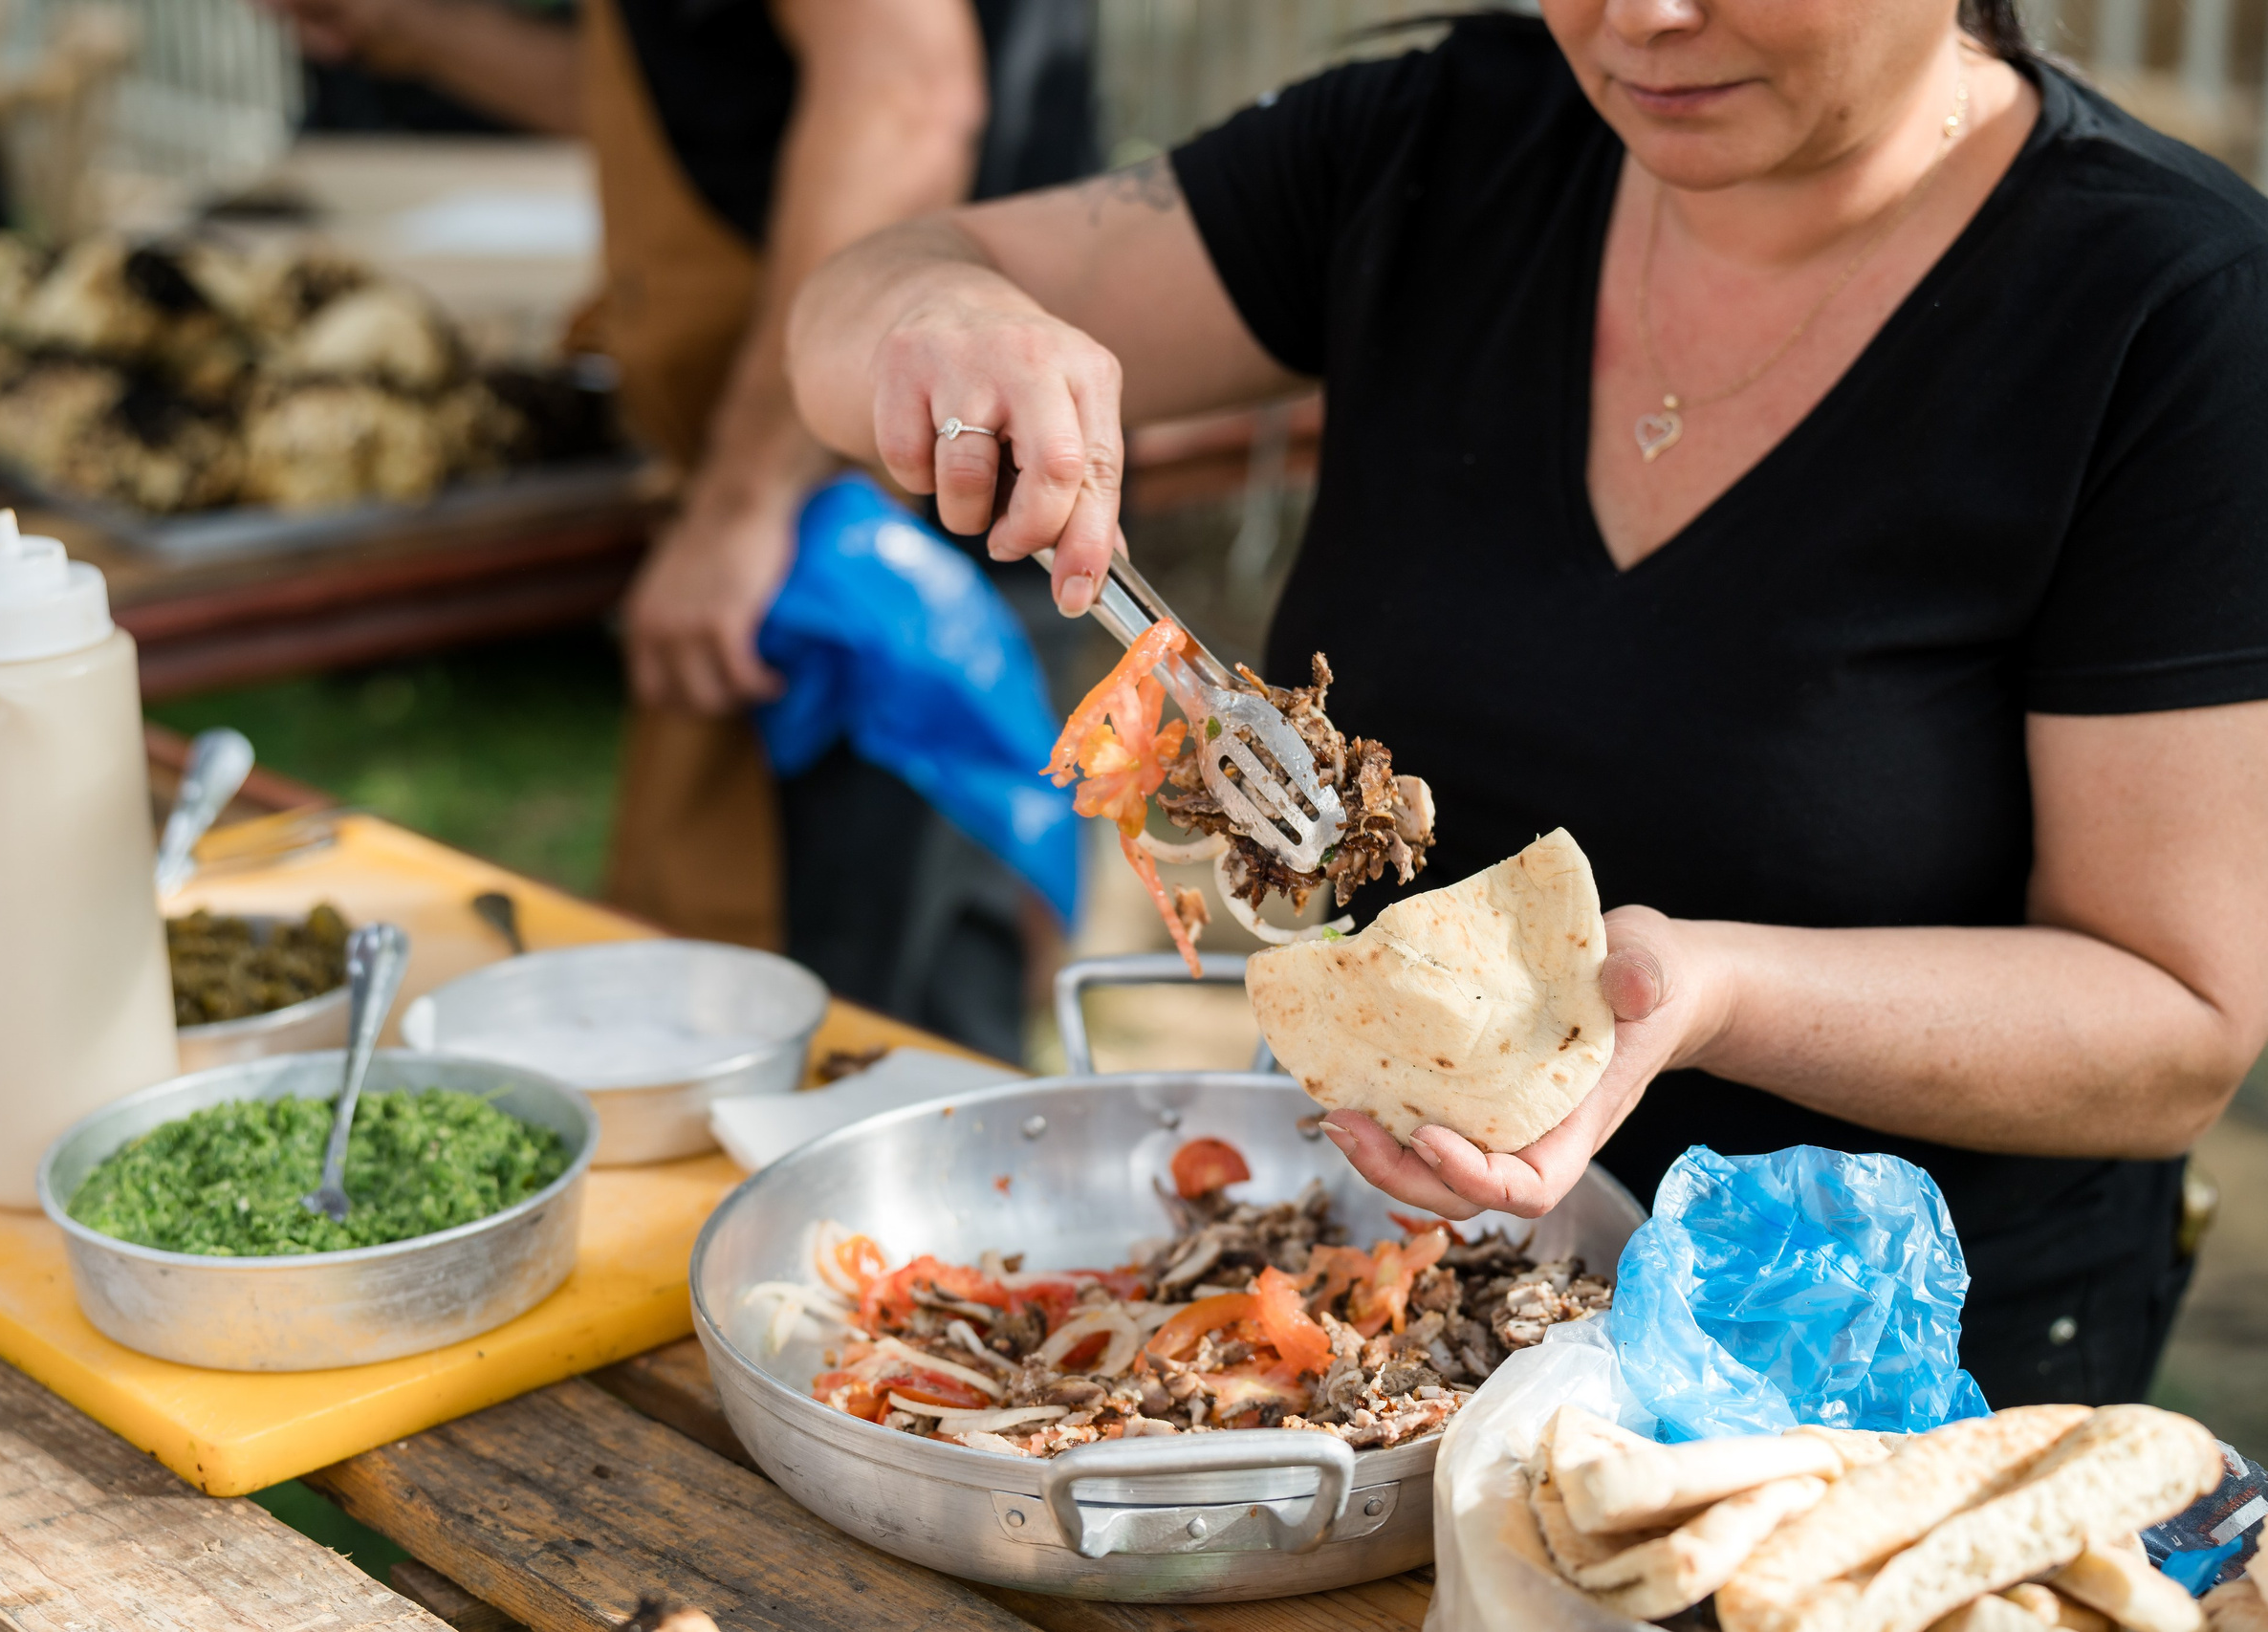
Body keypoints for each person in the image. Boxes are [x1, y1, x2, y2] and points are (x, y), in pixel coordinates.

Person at [788, 0, 2268, 1406]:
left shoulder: (2177, 314)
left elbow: (2175, 1027)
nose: (1642, 22)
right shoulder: (1445, 141)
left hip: (1871, 1374)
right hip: (1387, 1304)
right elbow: (872, 287)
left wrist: (1712, 995)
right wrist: (945, 309)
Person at [255, 0, 1095, 1059]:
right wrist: (407, 30)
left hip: (889, 556)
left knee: (884, 1054)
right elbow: (693, 111)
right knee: (734, 1030)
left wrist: (744, 504)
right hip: (780, 515)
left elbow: (906, 99)